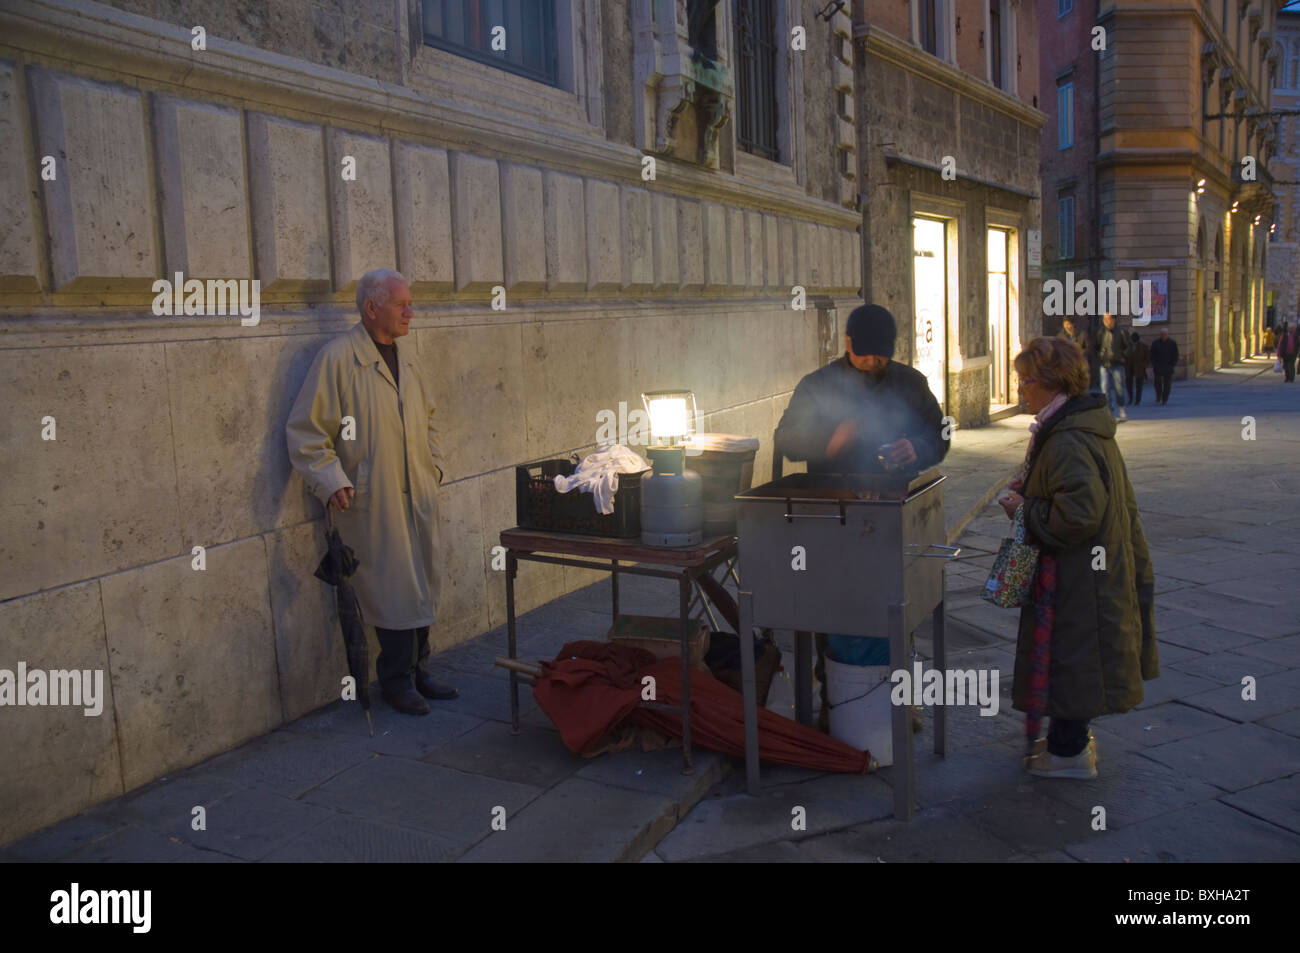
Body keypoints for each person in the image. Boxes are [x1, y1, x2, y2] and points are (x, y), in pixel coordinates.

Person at [286, 269, 458, 716]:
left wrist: (433, 467)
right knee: (393, 587)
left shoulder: (408, 358)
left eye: (410, 303)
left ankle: (420, 668)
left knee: (422, 577)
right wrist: (331, 480)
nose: (410, 312)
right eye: (401, 304)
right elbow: (306, 433)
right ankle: (396, 680)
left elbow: (430, 418)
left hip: (416, 491)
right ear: (370, 308)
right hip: (372, 497)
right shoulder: (339, 359)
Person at [775, 304, 950, 730]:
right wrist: (830, 441)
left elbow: (941, 432)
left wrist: (918, 447)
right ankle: (834, 699)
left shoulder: (911, 382)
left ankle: (898, 697)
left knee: (893, 601)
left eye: (881, 356)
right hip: (833, 511)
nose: (873, 363)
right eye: (864, 354)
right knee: (833, 606)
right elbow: (785, 439)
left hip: (890, 508)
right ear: (848, 344)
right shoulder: (818, 385)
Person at [996, 337, 1157, 779]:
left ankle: (1069, 756)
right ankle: (1068, 743)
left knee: (1073, 657)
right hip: (1086, 571)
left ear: (1050, 384)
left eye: (1025, 381)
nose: (1020, 389)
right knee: (1073, 656)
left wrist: (1023, 509)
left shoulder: (1068, 438)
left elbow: (1079, 513)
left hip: (1081, 575)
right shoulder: (1074, 426)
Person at [1094, 312, 1130, 422]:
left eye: (1109, 318)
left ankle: (1121, 409)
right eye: (1105, 319)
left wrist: (1122, 356)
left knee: (1119, 388)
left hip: (1117, 364)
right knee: (1105, 389)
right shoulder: (1100, 331)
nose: (1106, 321)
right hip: (1104, 364)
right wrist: (1100, 356)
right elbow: (1096, 346)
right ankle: (1109, 412)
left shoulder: (1122, 331)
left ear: (1114, 319)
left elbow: (1129, 347)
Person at [1058, 317, 1096, 391]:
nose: (1068, 326)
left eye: (1069, 324)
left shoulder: (1082, 334)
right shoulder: (1060, 336)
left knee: (1082, 385)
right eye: (1066, 324)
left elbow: (1089, 347)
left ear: (1073, 324)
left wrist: (1080, 353)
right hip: (1067, 365)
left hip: (1080, 364)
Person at [1149, 327, 1179, 404]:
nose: (1163, 336)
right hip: (1158, 367)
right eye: (1162, 334)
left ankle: (1165, 399)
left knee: (1167, 385)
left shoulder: (1172, 343)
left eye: (1165, 334)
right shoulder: (1155, 343)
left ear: (1167, 334)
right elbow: (1152, 355)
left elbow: (1175, 355)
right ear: (1160, 335)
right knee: (1157, 383)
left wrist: (1172, 364)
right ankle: (1158, 395)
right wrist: (1154, 364)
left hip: (1168, 367)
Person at [1126, 331, 1150, 406]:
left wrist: (1143, 365)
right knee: (1129, 384)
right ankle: (1130, 398)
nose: (1134, 342)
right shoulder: (1127, 346)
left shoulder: (1143, 346)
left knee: (1139, 385)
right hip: (1129, 367)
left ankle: (1137, 400)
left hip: (1139, 368)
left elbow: (1148, 358)